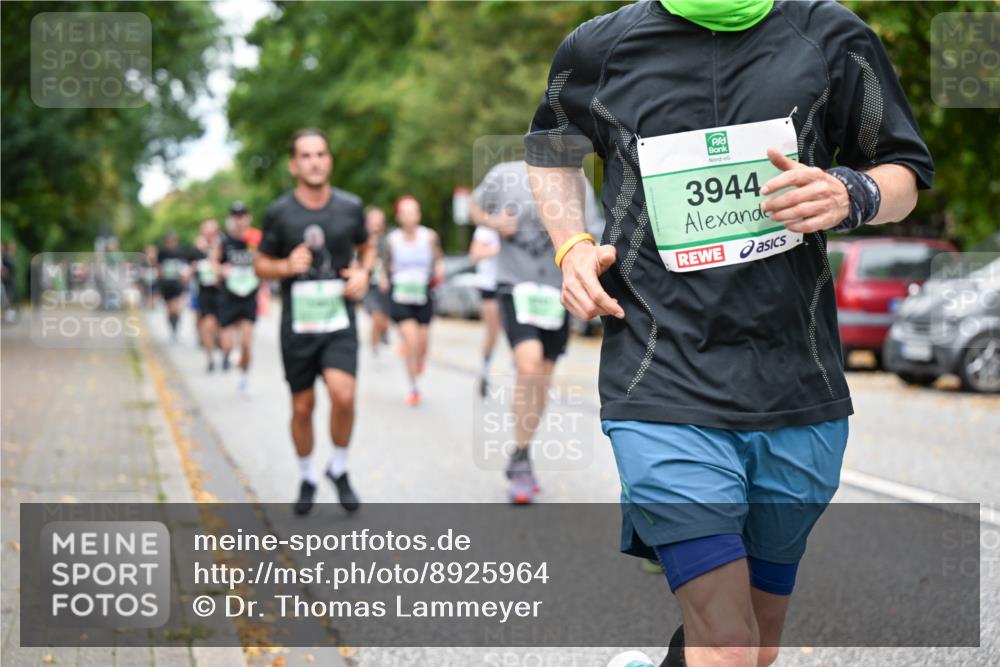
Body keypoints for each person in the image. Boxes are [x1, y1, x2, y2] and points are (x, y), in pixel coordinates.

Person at [525, 1, 934, 665]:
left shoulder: (830, 35)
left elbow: (904, 171)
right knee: (729, 645)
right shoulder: (599, 49)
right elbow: (550, 149)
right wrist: (571, 244)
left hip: (796, 382)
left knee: (758, 645)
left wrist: (851, 193)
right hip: (661, 376)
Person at [254, 128, 375, 516]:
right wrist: (286, 266)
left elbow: (367, 246)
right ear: (294, 165)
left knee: (344, 395)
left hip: (338, 320)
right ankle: (307, 475)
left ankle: (338, 467)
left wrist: (364, 272)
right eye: (306, 156)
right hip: (299, 326)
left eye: (321, 154)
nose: (315, 162)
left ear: (330, 161)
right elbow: (260, 264)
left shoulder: (350, 206)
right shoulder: (279, 213)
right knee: (303, 407)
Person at [470, 160, 602, 503]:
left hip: (556, 290)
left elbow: (592, 232)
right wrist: (493, 223)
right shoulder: (504, 174)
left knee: (542, 375)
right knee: (528, 365)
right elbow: (474, 206)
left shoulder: (577, 181)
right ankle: (522, 457)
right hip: (515, 284)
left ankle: (522, 450)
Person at [385, 195, 444, 407]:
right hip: (400, 295)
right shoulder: (392, 240)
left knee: (422, 344)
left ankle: (419, 360)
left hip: (422, 293)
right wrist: (384, 277)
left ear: (419, 215)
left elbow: (438, 257)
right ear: (399, 216)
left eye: (413, 212)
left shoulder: (429, 236)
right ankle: (413, 387)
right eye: (405, 212)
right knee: (410, 340)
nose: (410, 216)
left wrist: (439, 269)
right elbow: (385, 263)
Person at [219, 201, 260, 392]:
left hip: (249, 295)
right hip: (229, 297)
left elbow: (265, 260)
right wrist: (222, 269)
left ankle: (244, 378)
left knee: (246, 343)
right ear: (230, 218)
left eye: (242, 215)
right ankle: (230, 354)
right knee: (227, 345)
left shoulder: (256, 238)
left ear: (247, 217)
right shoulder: (224, 240)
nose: (239, 220)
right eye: (235, 216)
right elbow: (214, 262)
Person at [469, 223, 502, 398]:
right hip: (490, 288)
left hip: (512, 286)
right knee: (493, 334)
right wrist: (501, 248)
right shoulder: (486, 229)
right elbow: (475, 254)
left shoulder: (521, 224)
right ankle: (484, 370)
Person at [191, 220, 224, 371]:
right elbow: (189, 269)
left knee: (221, 327)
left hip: (222, 293)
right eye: (207, 232)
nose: (210, 235)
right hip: (204, 293)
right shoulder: (196, 249)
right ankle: (210, 357)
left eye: (213, 232)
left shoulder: (223, 245)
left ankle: (224, 351)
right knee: (206, 324)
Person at [360, 206, 393, 354]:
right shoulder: (360, 241)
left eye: (379, 221)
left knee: (384, 319)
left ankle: (382, 334)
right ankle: (375, 349)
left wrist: (387, 275)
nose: (376, 224)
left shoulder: (387, 242)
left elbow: (391, 262)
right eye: (373, 220)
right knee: (376, 316)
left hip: (384, 287)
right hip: (368, 287)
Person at [157, 231, 190, 341]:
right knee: (169, 309)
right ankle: (172, 327)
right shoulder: (162, 253)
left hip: (177, 283)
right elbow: (158, 267)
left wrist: (184, 279)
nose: (170, 243)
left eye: (172, 241)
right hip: (166, 284)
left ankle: (176, 326)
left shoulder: (180, 252)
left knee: (176, 307)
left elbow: (185, 267)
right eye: (168, 241)